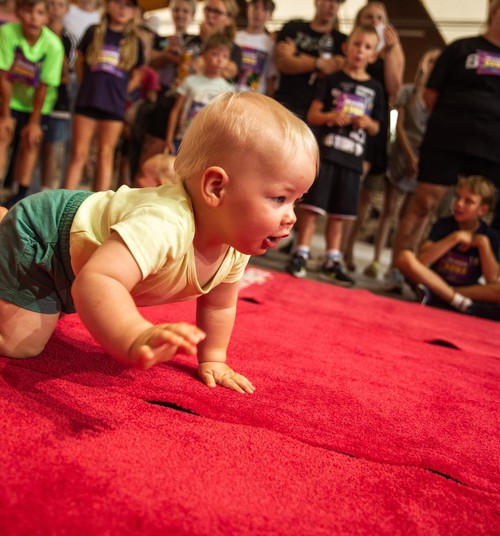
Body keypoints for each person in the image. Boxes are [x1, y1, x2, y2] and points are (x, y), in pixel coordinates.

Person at [0, 92, 319, 393]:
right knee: (20, 346)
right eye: (279, 198)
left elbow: (219, 304)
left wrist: (214, 359)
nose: (291, 217)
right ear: (216, 188)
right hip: (45, 237)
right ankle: (6, 225)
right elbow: (97, 280)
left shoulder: (233, 241)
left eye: (295, 201)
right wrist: (134, 335)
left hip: (76, 258)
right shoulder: (164, 223)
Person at [393, 0, 500, 270]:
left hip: (492, 148)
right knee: (424, 203)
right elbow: (430, 95)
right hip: (447, 138)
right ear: (494, 12)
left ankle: (467, 279)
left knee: (483, 215)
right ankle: (400, 268)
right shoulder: (460, 48)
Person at [286, 25, 384, 284]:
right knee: (312, 208)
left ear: (373, 55)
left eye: (367, 47)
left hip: (352, 159)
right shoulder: (332, 79)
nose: (360, 51)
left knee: (340, 213)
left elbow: (377, 127)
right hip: (328, 153)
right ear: (346, 48)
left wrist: (365, 122)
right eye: (356, 44)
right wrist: (332, 116)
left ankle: (332, 258)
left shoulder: (375, 88)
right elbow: (312, 114)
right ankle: (301, 252)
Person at [362, 48, 441, 291]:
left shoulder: (441, 98)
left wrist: (421, 161)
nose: (432, 65)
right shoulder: (407, 91)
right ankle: (376, 259)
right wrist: (410, 157)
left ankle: (398, 267)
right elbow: (402, 128)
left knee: (411, 215)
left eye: (438, 62)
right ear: (422, 63)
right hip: (400, 157)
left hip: (425, 160)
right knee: (388, 210)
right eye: (430, 60)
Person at [343, 1, 405, 272]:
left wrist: (391, 52)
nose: (375, 20)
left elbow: (394, 88)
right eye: (369, 16)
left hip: (376, 129)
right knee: (349, 189)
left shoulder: (393, 50)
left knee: (365, 197)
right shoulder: (353, 48)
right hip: (349, 128)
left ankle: (348, 249)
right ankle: (338, 249)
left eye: (380, 17)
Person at [63, 0, 144, 192]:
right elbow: (79, 61)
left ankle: (100, 206)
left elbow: (139, 73)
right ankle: (64, 201)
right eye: (118, 3)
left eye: (129, 5)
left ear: (134, 12)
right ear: (108, 5)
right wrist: (87, 84)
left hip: (114, 105)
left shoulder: (135, 41)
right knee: (78, 154)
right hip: (87, 99)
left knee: (106, 156)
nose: (123, 9)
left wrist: (122, 91)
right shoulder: (94, 31)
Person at [397, 175, 500, 320]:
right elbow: (422, 259)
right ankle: (458, 302)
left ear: (482, 210)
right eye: (458, 197)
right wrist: (454, 238)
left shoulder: (491, 236)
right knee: (404, 257)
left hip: (466, 289)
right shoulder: (444, 225)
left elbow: (492, 279)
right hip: (435, 279)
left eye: (468, 201)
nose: (459, 204)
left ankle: (441, 296)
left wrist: (483, 245)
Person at [0, 0, 64, 205]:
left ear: (47, 17)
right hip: (10, 98)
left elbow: (44, 85)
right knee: (2, 134)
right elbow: (4, 75)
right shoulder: (7, 33)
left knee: (31, 140)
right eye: (28, 11)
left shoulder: (54, 45)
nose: (34, 17)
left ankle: (20, 194)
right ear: (18, 12)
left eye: (40, 13)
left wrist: (34, 122)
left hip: (39, 102)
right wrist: (5, 115)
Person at [273, 0, 347, 122]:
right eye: (329, 1)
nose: (333, 6)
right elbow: (282, 63)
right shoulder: (292, 28)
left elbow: (334, 70)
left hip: (318, 113)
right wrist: (320, 63)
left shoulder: (342, 40)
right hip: (284, 105)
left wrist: (296, 55)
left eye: (338, 2)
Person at [165, 32, 234, 155]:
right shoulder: (190, 80)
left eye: (225, 56)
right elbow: (176, 110)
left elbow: (226, 121)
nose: (220, 60)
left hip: (208, 145)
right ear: (204, 55)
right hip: (183, 139)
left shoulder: (228, 89)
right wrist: (169, 139)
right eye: (215, 54)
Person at [40, 0, 74, 191]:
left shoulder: (67, 38)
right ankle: (22, 188)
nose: (55, 9)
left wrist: (56, 43)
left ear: (66, 9)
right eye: (51, 4)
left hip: (58, 99)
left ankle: (46, 189)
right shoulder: (37, 32)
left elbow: (67, 74)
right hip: (34, 97)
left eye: (60, 5)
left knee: (51, 147)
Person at [234, 0, 276, 95]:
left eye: (264, 9)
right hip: (230, 94)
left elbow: (271, 78)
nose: (258, 13)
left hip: (255, 98)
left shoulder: (270, 45)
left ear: (270, 16)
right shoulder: (234, 37)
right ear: (248, 9)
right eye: (255, 7)